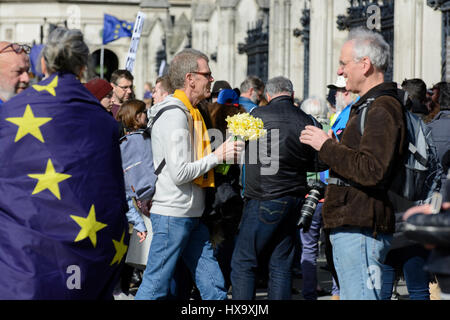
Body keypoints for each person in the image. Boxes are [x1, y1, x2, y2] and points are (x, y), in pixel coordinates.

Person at [0, 28, 129, 299]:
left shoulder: (10, 114)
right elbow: (111, 197)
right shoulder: (104, 122)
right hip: (84, 265)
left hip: (22, 261)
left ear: (43, 64)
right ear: (84, 68)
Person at [300, 27, 407, 300]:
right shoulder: (368, 105)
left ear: (365, 64)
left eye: (343, 64)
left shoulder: (382, 107)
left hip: (361, 226)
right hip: (352, 223)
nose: (339, 72)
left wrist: (326, 145)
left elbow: (372, 169)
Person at [135, 48, 244, 300]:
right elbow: (181, 172)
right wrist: (219, 156)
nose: (211, 79)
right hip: (173, 214)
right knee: (154, 287)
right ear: (190, 78)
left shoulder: (192, 113)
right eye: (207, 74)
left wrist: (221, 159)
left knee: (214, 285)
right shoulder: (175, 115)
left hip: (192, 214)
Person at [230, 76, 327, 300]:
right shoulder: (308, 120)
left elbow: (237, 150)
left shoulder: (256, 116)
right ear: (292, 95)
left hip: (264, 197)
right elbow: (320, 162)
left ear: (267, 96)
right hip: (293, 199)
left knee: (244, 261)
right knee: (281, 263)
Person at [298, 96, 331, 300]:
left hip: (309, 198)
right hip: (331, 196)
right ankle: (337, 292)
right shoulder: (331, 130)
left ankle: (310, 291)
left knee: (308, 247)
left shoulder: (304, 132)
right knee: (333, 249)